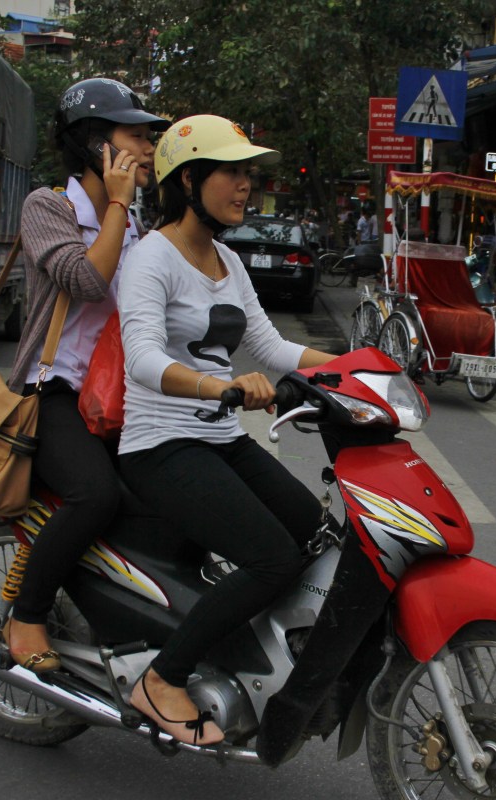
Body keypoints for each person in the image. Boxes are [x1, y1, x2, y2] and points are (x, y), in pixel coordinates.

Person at [117, 115, 336, 746]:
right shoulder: (151, 258)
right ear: (189, 181)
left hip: (217, 436)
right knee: (272, 558)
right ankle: (162, 678)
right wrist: (221, 388)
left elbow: (269, 345)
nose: (247, 185)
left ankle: (245, 651)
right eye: (232, 172)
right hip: (161, 444)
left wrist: (363, 363)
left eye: (249, 173)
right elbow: (143, 358)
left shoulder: (228, 261)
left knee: (313, 534)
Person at [2, 78, 169, 672]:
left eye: (150, 137)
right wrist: (120, 207)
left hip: (117, 401)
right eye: (136, 136)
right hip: (53, 392)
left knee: (169, 492)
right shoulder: (48, 207)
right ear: (97, 146)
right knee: (93, 495)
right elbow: (86, 282)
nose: (149, 148)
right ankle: (26, 616)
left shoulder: (140, 230)